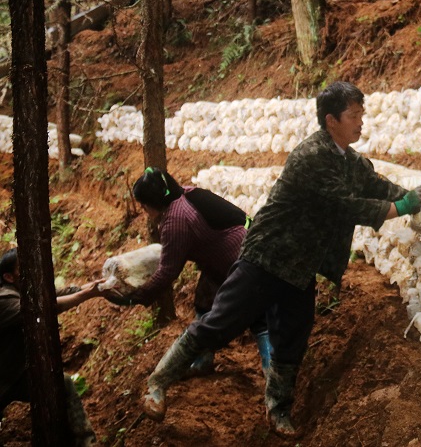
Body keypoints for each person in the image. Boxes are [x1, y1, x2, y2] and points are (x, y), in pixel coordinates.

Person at [140, 82, 421, 437]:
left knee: (293, 336)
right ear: (331, 120)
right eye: (353, 116)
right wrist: (400, 208)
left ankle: (278, 409)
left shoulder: (348, 159)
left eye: (362, 114)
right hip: (266, 257)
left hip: (299, 266)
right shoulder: (311, 156)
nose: (361, 122)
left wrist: (408, 195)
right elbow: (343, 205)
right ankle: (157, 382)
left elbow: (373, 183)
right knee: (219, 323)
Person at [116, 167, 272, 378]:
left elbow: (167, 272)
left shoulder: (175, 220)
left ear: (153, 202)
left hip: (243, 259)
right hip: (235, 254)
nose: (144, 210)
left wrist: (137, 296)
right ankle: (202, 361)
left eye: (144, 205)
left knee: (258, 317)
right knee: (204, 303)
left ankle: (273, 372)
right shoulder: (185, 194)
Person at [0, 247, 101, 445]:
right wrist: (85, 295)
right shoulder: (3, 299)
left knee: (62, 383)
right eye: (24, 267)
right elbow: (39, 309)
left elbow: (53, 295)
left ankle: (86, 443)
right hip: (4, 379)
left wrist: (93, 288)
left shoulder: (24, 291)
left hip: (14, 376)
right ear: (9, 277)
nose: (31, 270)